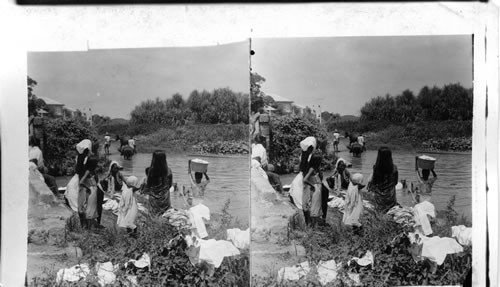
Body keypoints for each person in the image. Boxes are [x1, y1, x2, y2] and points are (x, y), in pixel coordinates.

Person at [367, 147, 399, 213]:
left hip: (379, 200)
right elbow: (395, 183)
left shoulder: (376, 169)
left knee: (370, 185)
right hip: (391, 199)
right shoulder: (394, 168)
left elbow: (373, 182)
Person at [143, 151, 173, 216]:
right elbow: (170, 185)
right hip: (165, 200)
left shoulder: (150, 171)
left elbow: (148, 185)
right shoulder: (169, 171)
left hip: (154, 201)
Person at [304, 154, 323, 227]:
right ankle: (313, 224)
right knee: (315, 205)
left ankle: (315, 224)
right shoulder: (312, 169)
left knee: (317, 205)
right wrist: (312, 185)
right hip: (316, 187)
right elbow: (305, 179)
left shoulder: (317, 168)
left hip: (318, 187)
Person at [81, 156, 100, 229]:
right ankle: (89, 228)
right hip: (91, 191)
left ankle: (90, 227)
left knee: (93, 209)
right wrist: (88, 188)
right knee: (90, 209)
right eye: (95, 163)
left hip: (94, 190)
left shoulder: (93, 171)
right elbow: (81, 182)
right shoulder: (88, 171)